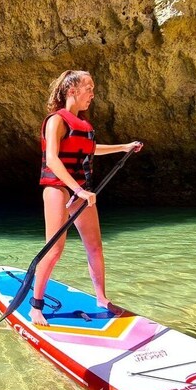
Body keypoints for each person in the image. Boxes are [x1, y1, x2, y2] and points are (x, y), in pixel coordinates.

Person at [30, 70, 143, 326]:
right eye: (88, 88)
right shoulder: (56, 121)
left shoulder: (85, 125)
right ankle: (36, 306)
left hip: (80, 190)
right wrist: (77, 190)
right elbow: (52, 159)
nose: (92, 94)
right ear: (72, 91)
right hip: (58, 188)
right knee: (55, 249)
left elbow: (92, 149)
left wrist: (124, 147)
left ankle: (101, 298)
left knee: (95, 246)